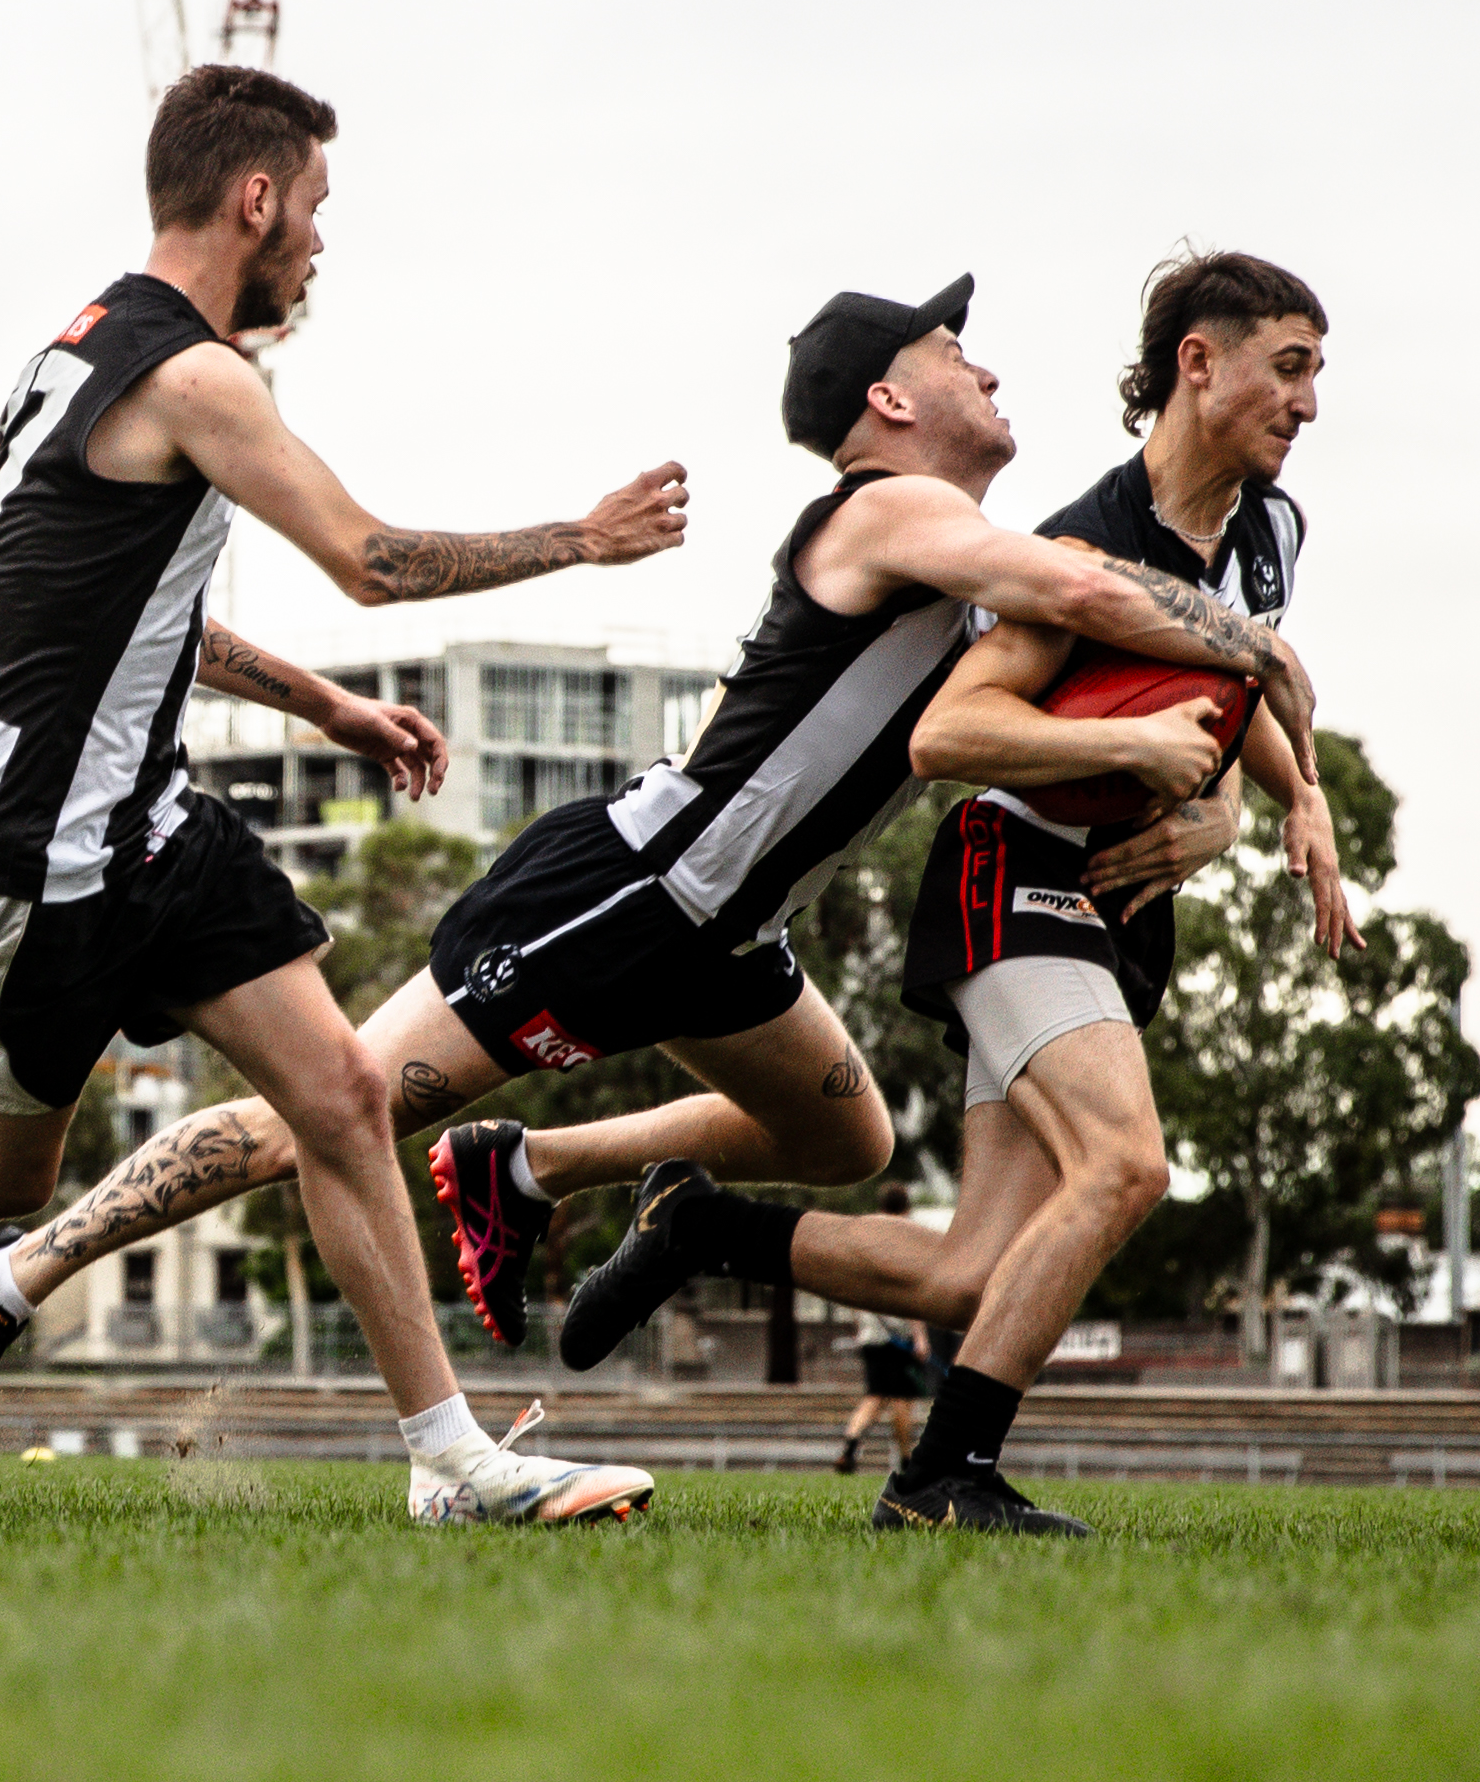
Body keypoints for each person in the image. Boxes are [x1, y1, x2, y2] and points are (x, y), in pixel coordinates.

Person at [0, 64, 684, 1527]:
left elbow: (140, 617)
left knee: (343, 1092)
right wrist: (582, 541)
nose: (322, 248)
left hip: (153, 824)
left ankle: (451, 1459)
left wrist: (324, 702)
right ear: (256, 195)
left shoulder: (73, 353)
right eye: (318, 211)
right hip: (40, 852)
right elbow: (374, 559)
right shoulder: (196, 376)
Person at [0, 271, 1325, 1375]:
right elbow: (1087, 596)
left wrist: (1249, 793)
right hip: (631, 893)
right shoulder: (887, 507)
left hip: (730, 931)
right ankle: (11, 1274)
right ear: (890, 401)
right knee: (324, 1109)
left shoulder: (971, 553)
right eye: (958, 353)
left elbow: (1093, 625)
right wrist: (1253, 644)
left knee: (844, 1147)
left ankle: (521, 1170)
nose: (992, 369)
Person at [565, 249, 1364, 1537]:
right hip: (1013, 870)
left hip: (1108, 903)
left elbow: (1228, 693)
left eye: (1318, 372)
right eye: (1291, 367)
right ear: (1197, 365)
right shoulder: (1086, 547)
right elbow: (952, 736)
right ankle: (941, 1476)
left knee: (968, 1271)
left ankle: (703, 1228)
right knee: (1124, 1165)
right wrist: (1132, 754)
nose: (1311, 403)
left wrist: (1287, 796)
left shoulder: (1270, 532)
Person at [831, 1187, 933, 1475]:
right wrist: (920, 1337)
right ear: (906, 1209)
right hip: (898, 1337)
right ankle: (905, 1460)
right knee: (901, 1399)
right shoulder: (907, 1239)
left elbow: (852, 1292)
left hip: (870, 1335)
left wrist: (860, 1327)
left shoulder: (865, 1237)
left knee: (875, 1395)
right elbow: (911, 1293)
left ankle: (850, 1445)